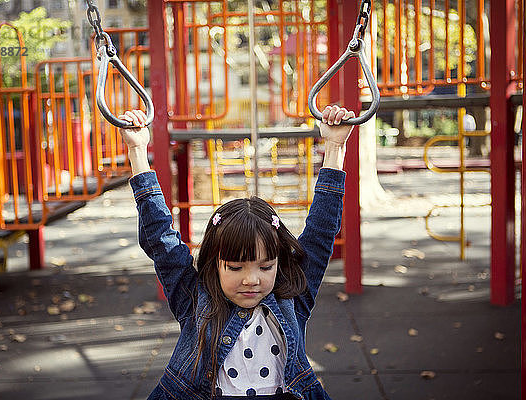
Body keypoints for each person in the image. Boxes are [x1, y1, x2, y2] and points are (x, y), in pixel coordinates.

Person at [118, 104, 355, 400]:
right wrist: (138, 150)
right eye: (235, 267)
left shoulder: (291, 297)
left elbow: (320, 232)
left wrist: (335, 145)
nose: (251, 279)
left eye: (265, 267)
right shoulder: (194, 300)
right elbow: (160, 237)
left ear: (279, 263)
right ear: (214, 264)